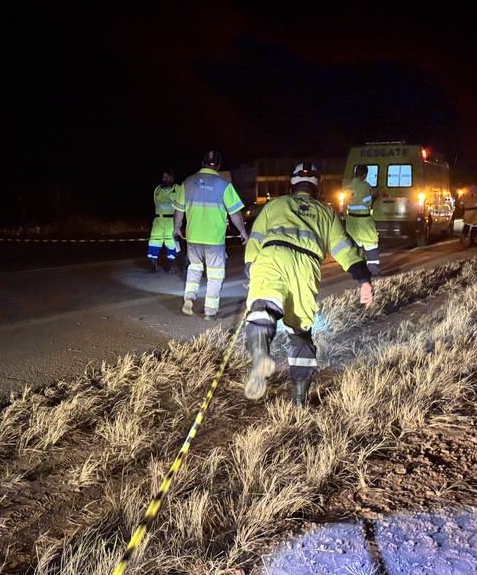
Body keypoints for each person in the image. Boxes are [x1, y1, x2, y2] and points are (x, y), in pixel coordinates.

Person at [243, 161, 374, 406]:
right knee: (300, 334)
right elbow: (344, 248)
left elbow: (255, 240)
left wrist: (251, 268)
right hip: (306, 267)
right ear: (317, 186)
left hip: (271, 258)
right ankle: (300, 400)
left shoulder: (275, 205)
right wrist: (363, 279)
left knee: (262, 310)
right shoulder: (325, 213)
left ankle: (261, 355)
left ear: (292, 183)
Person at [173, 149, 249, 318]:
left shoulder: (187, 183)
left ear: (202, 163)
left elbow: (178, 210)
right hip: (214, 239)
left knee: (194, 269)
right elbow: (235, 213)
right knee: (215, 274)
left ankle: (189, 298)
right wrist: (243, 232)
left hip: (193, 237)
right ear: (218, 166)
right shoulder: (224, 185)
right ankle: (210, 311)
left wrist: (177, 227)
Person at [342, 164, 381, 277]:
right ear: (365, 174)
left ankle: (356, 269)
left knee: (355, 245)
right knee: (371, 243)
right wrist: (374, 197)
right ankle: (373, 270)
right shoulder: (366, 186)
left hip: (351, 220)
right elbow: (368, 203)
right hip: (363, 220)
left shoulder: (348, 185)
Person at [147, 168, 184, 272]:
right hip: (158, 220)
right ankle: (152, 265)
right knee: (153, 241)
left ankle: (170, 266)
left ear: (172, 178)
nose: (165, 179)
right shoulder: (157, 190)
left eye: (167, 177)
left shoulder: (178, 189)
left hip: (171, 221)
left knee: (171, 243)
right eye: (163, 177)